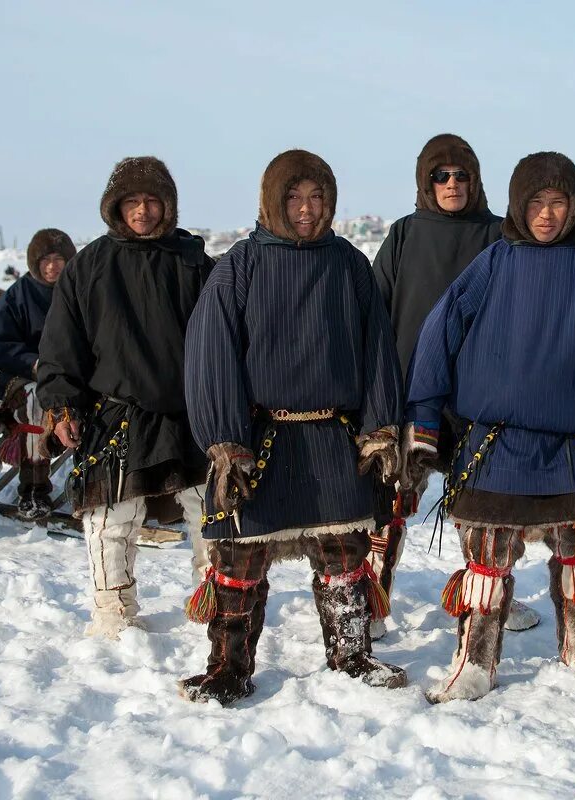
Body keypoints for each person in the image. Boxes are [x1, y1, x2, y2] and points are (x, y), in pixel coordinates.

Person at [405, 152, 575, 703]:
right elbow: (438, 334)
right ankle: (475, 658)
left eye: (558, 202)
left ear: (574, 208)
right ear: (518, 206)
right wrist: (424, 414)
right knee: (487, 562)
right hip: (497, 444)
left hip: (574, 445)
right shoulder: (493, 263)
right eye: (536, 203)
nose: (546, 215)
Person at [180, 149, 407, 706]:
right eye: (294, 198)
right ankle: (228, 667)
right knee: (238, 562)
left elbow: (378, 349)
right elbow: (212, 355)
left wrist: (379, 427)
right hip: (261, 440)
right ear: (272, 202)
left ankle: (350, 654)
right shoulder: (241, 265)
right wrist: (225, 439)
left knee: (346, 559)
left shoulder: (349, 264)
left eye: (317, 198)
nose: (306, 210)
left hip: (333, 439)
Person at [370, 134, 538, 637]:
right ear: (425, 182)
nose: (451, 184)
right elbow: (376, 311)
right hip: (411, 391)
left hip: (476, 395)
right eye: (440, 176)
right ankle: (374, 596)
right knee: (394, 497)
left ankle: (489, 595)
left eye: (461, 175)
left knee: (480, 502)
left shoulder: (497, 236)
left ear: (475, 181)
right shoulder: (403, 234)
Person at [37, 156, 213, 639]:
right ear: (115, 207)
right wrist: (60, 405)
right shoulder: (88, 266)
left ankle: (214, 596)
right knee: (112, 519)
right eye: (133, 201)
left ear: (168, 206)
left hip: (188, 411)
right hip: (116, 411)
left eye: (153, 201)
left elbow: (226, 336)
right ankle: (113, 609)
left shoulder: (193, 261)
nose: (143, 210)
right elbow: (60, 345)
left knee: (209, 513)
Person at [0, 228, 75, 519]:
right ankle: (33, 488)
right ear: (35, 263)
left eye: (59, 259)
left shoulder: (79, 292)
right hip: (21, 377)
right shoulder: (16, 296)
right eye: (46, 260)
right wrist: (34, 363)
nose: (53, 266)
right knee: (35, 401)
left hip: (70, 375)